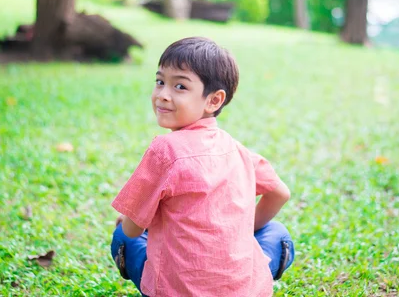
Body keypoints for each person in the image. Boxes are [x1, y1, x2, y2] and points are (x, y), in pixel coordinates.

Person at [111, 37, 294, 296]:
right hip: (245, 291)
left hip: (173, 290)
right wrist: (242, 231)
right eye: (160, 82)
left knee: (122, 237)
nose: (163, 95)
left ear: (214, 100)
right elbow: (280, 193)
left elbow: (132, 229)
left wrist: (129, 221)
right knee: (276, 233)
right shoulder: (237, 149)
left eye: (180, 87)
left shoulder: (164, 151)